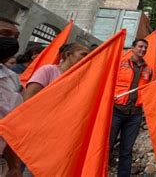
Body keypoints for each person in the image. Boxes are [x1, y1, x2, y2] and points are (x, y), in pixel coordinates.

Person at [110, 39, 153, 177]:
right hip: (116, 110)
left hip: (135, 114)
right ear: (133, 48)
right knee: (107, 146)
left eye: (145, 47)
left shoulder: (148, 69)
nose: (143, 49)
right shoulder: (120, 63)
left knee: (126, 150)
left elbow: (146, 90)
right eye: (140, 46)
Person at [24, 43, 89, 100]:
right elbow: (29, 98)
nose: (87, 58)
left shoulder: (80, 77)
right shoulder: (47, 70)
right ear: (68, 54)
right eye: (84, 54)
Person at [0, 17, 23, 176]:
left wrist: (14, 167)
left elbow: (11, 125)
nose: (12, 41)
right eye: (4, 34)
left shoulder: (12, 78)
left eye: (15, 37)